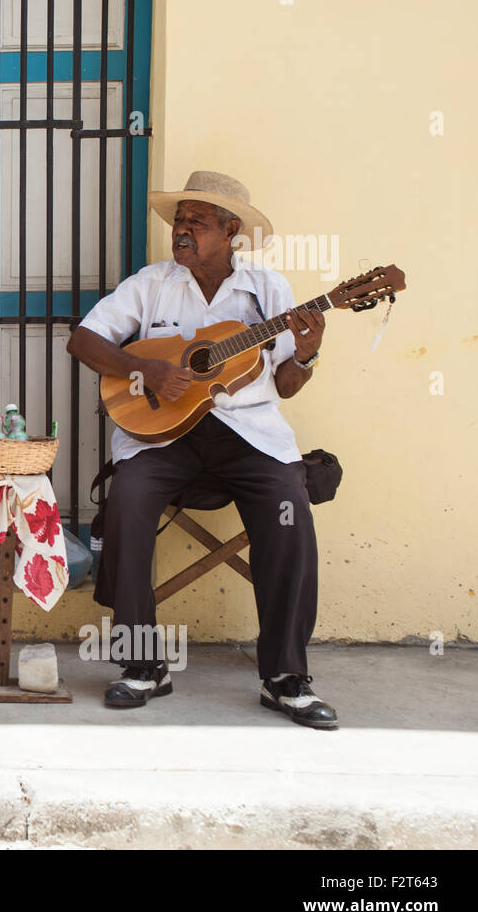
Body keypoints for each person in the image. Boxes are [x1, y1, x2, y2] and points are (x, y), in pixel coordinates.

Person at [67, 171, 337, 729]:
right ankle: (143, 666)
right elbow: (83, 339)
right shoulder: (152, 283)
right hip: (164, 437)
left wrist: (306, 354)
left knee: (290, 509)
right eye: (179, 222)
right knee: (127, 506)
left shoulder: (269, 292)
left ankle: (286, 676)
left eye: (197, 222)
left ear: (231, 230)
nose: (182, 231)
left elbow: (285, 385)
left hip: (251, 438)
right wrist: (142, 367)